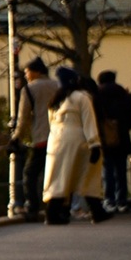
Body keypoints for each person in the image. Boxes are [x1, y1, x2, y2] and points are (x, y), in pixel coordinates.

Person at [42, 67, 111, 224]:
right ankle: (97, 210)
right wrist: (94, 143)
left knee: (60, 177)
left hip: (56, 140)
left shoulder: (55, 100)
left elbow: (50, 122)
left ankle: (52, 213)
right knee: (88, 174)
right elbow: (88, 121)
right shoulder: (82, 97)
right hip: (79, 140)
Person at [12, 57, 58, 215]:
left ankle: (32, 205)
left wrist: (16, 137)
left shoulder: (30, 89)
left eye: (27, 72)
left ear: (36, 71)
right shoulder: (58, 86)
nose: (26, 76)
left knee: (30, 173)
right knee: (55, 173)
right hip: (59, 136)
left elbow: (23, 117)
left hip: (41, 136)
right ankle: (56, 206)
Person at [92, 70, 131, 210]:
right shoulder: (124, 95)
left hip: (103, 137)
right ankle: (122, 199)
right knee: (121, 170)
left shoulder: (97, 96)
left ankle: (109, 199)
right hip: (122, 137)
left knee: (107, 170)